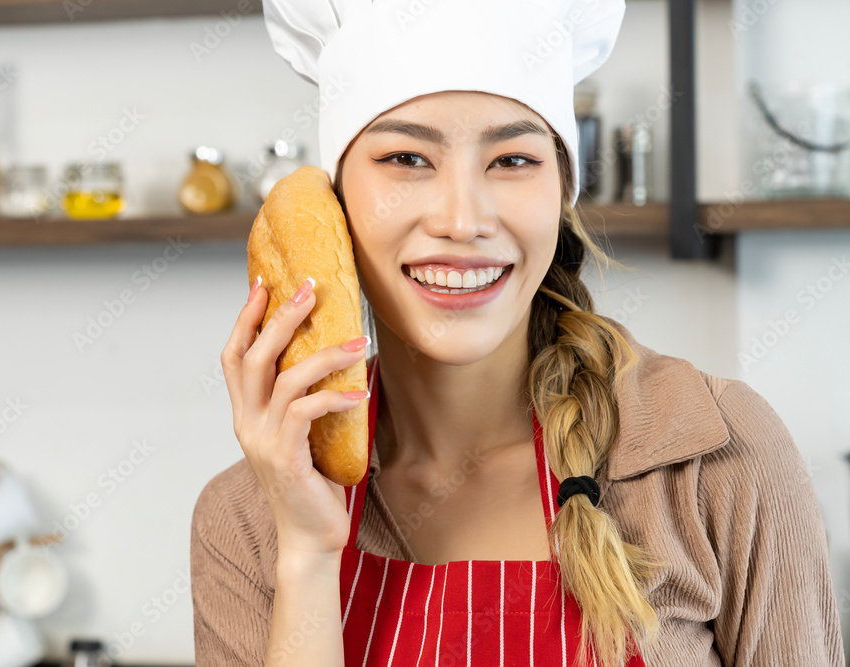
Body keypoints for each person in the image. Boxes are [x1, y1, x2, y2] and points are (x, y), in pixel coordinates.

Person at [191, 1, 846, 665]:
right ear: (334, 204)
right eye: (407, 158)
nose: (462, 219)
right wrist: (307, 555)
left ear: (561, 189)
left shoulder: (715, 455)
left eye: (511, 160)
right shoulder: (250, 516)